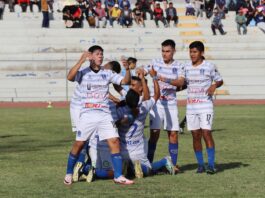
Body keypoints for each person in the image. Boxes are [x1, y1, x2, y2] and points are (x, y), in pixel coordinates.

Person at [64, 45, 134, 185]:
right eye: (97, 54)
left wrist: (127, 69)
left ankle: (118, 176)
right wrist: (81, 60)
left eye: (102, 54)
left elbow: (125, 82)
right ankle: (69, 173)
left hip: (104, 114)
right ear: (90, 56)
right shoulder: (83, 72)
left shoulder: (107, 73)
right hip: (87, 114)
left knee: (114, 141)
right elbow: (70, 77)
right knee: (79, 144)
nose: (100, 56)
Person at [182, 41, 223, 174]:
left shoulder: (210, 66)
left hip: (205, 105)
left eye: (195, 52)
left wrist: (214, 85)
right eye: (190, 52)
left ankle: (211, 165)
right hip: (191, 106)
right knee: (195, 135)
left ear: (201, 53)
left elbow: (219, 80)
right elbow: (183, 84)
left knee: (206, 133)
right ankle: (200, 165)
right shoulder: (186, 67)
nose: (192, 55)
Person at [144, 39, 184, 174]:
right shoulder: (155, 62)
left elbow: (181, 82)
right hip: (157, 103)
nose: (164, 54)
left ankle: (172, 164)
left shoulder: (179, 65)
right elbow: (144, 70)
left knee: (173, 134)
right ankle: (148, 164)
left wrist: (163, 79)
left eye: (167, 51)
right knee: (154, 134)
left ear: (173, 51)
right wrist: (140, 71)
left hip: (171, 103)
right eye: (163, 51)